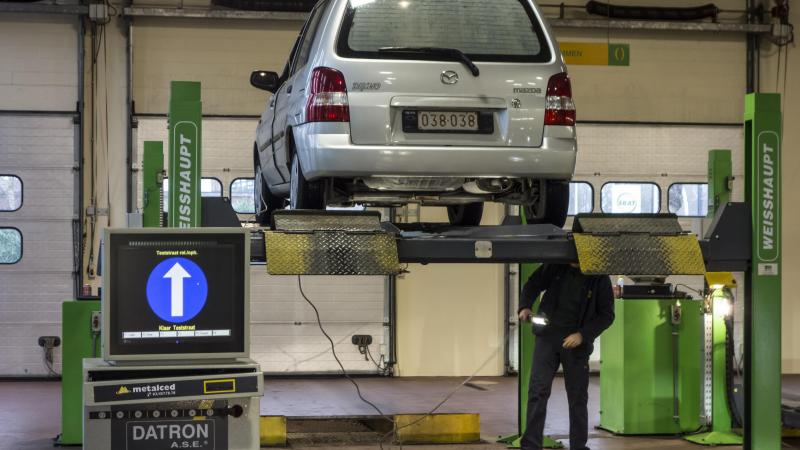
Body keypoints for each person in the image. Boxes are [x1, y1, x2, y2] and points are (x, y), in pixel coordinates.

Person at [518, 263, 615, 450]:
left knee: (577, 397)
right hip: (547, 337)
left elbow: (607, 315)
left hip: (576, 344)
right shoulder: (556, 266)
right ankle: (530, 445)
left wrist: (582, 335)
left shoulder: (599, 277)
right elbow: (533, 283)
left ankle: (578, 446)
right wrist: (525, 306)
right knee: (538, 391)